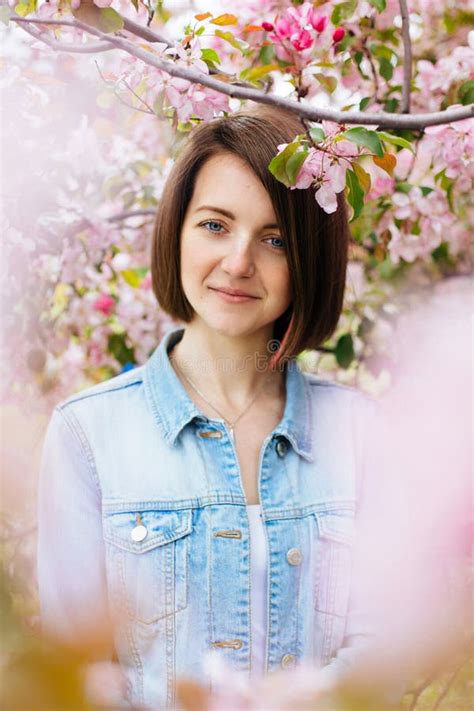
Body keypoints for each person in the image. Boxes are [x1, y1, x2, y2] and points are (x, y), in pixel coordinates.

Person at [37, 104, 378, 710]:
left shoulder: (359, 433)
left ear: (308, 259)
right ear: (177, 229)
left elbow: (380, 650)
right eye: (215, 225)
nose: (239, 262)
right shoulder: (89, 433)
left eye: (274, 239)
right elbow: (77, 669)